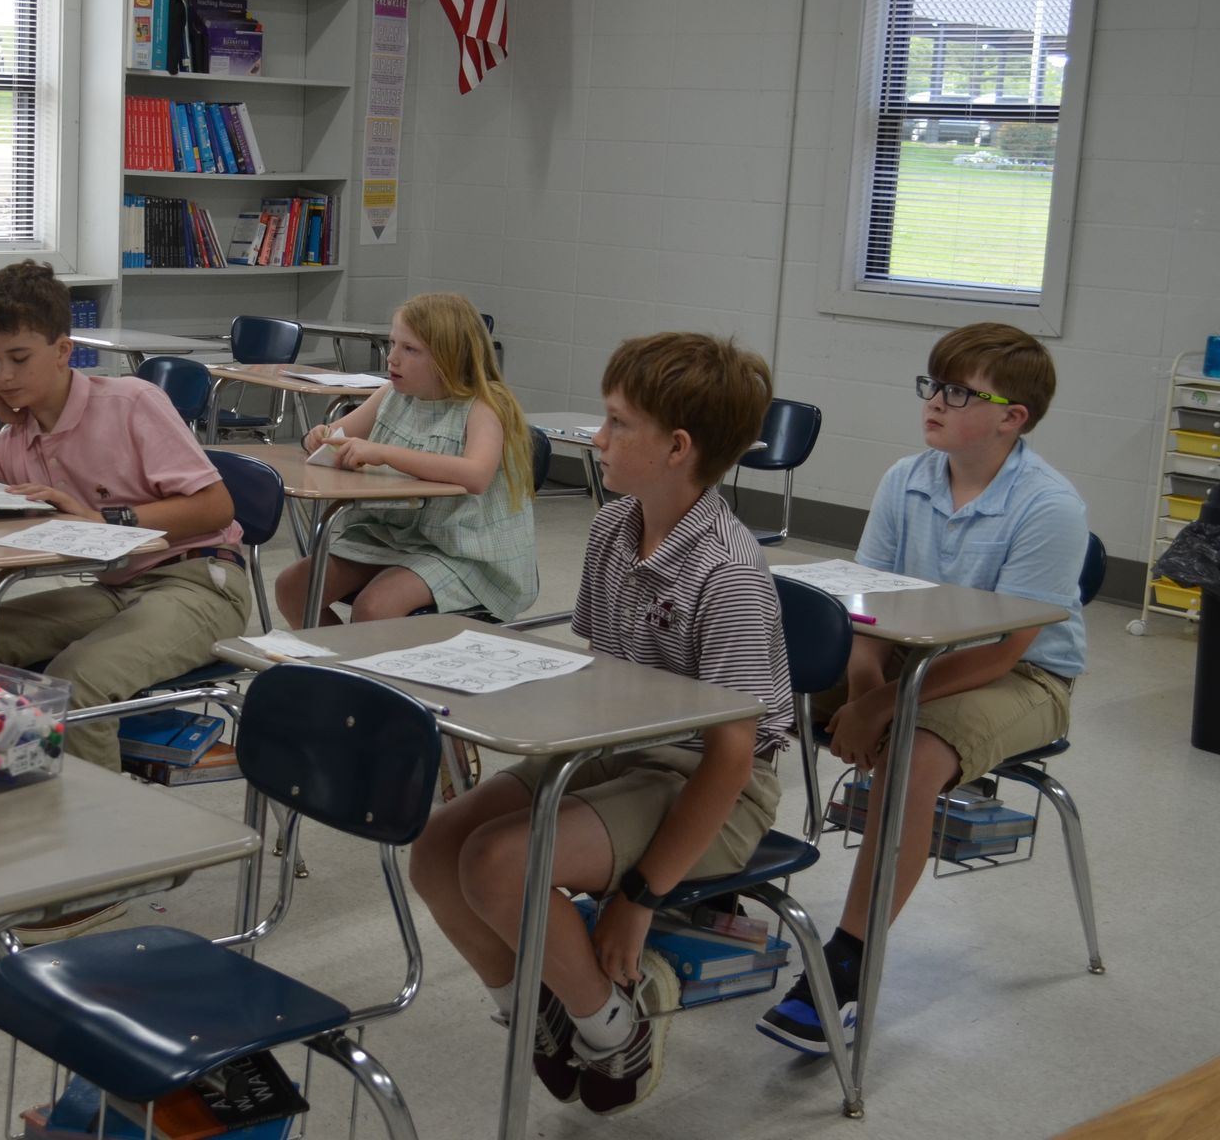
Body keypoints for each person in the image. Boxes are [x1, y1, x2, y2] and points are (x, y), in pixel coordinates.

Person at [408, 332, 791, 1117]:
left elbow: (731, 757)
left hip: (713, 788)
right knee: (436, 848)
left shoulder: (728, 569)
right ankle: (541, 1012)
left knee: (496, 863)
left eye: (618, 423)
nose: (597, 436)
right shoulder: (613, 529)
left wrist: (642, 896)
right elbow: (601, 677)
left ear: (677, 448)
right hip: (621, 755)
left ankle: (612, 1026)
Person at [758, 322, 1087, 1057]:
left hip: (1022, 676)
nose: (934, 402)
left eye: (958, 392)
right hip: (907, 658)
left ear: (1012, 418)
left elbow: (1008, 649)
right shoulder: (906, 478)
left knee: (916, 751)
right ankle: (716, 889)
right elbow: (868, 601)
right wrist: (868, 680)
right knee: (753, 690)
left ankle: (845, 962)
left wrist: (882, 707)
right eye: (933, 385)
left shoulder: (1048, 506)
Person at [0, 260, 251, 814]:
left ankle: (95, 866)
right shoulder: (14, 438)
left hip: (201, 582)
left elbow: (216, 504)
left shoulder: (132, 403)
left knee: (78, 679)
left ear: (63, 350)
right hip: (119, 587)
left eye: (19, 358)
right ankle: (3, 798)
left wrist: (108, 521)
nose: (5, 376)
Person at [273, 291, 538, 626]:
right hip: (393, 536)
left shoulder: (484, 404)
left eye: (410, 349)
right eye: (392, 343)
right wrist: (319, 436)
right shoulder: (392, 394)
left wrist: (383, 453)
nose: (392, 358)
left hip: (463, 551)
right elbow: (336, 438)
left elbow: (476, 475)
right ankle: (342, 670)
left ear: (449, 358)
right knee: (293, 588)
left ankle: (368, 673)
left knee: (374, 607)